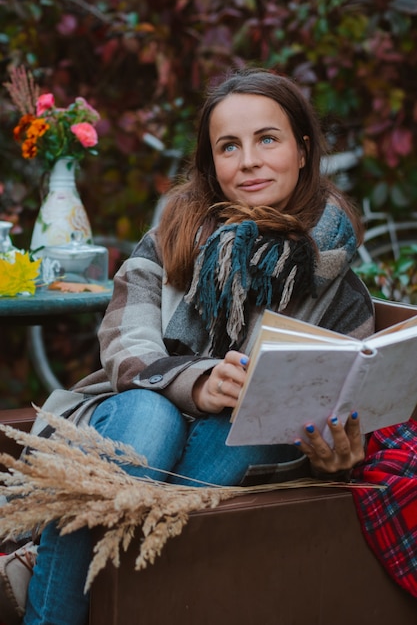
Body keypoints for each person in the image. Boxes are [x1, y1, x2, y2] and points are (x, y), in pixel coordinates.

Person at [0, 67, 374, 625]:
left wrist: (337, 452)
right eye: (229, 146)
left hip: (233, 456)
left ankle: (44, 558)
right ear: (212, 164)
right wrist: (196, 382)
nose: (247, 160)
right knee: (154, 419)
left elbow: (340, 400)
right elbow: (125, 347)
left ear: (302, 149)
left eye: (267, 139)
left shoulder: (342, 294)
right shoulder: (171, 238)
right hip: (130, 424)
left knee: (242, 434)